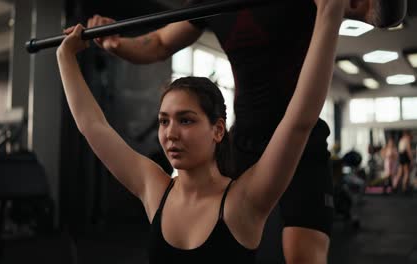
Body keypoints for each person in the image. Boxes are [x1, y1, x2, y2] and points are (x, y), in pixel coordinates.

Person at [85, 0, 406, 263]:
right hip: (243, 145)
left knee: (302, 257)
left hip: (301, 144)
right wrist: (117, 42)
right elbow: (157, 43)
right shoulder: (211, 3)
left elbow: (383, 15)